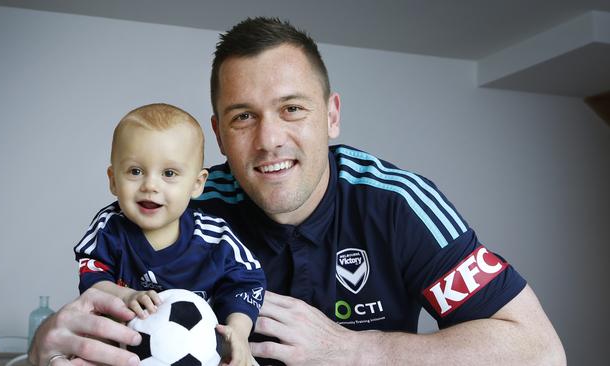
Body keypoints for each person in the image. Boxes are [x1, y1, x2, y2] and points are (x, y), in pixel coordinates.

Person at [29, 18, 566, 366]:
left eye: (292, 108)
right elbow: (94, 329)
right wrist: (40, 351)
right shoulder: (181, 205)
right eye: (244, 117)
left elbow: (539, 350)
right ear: (218, 135)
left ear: (331, 116)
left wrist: (353, 350)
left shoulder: (398, 205)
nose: (269, 141)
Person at [73, 103, 265, 366]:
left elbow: (248, 283)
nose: (150, 185)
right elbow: (93, 284)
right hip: (122, 355)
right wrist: (126, 296)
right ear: (113, 180)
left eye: (169, 173)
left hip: (202, 356)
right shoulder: (110, 229)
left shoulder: (215, 238)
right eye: (135, 171)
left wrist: (239, 333)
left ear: (197, 184)